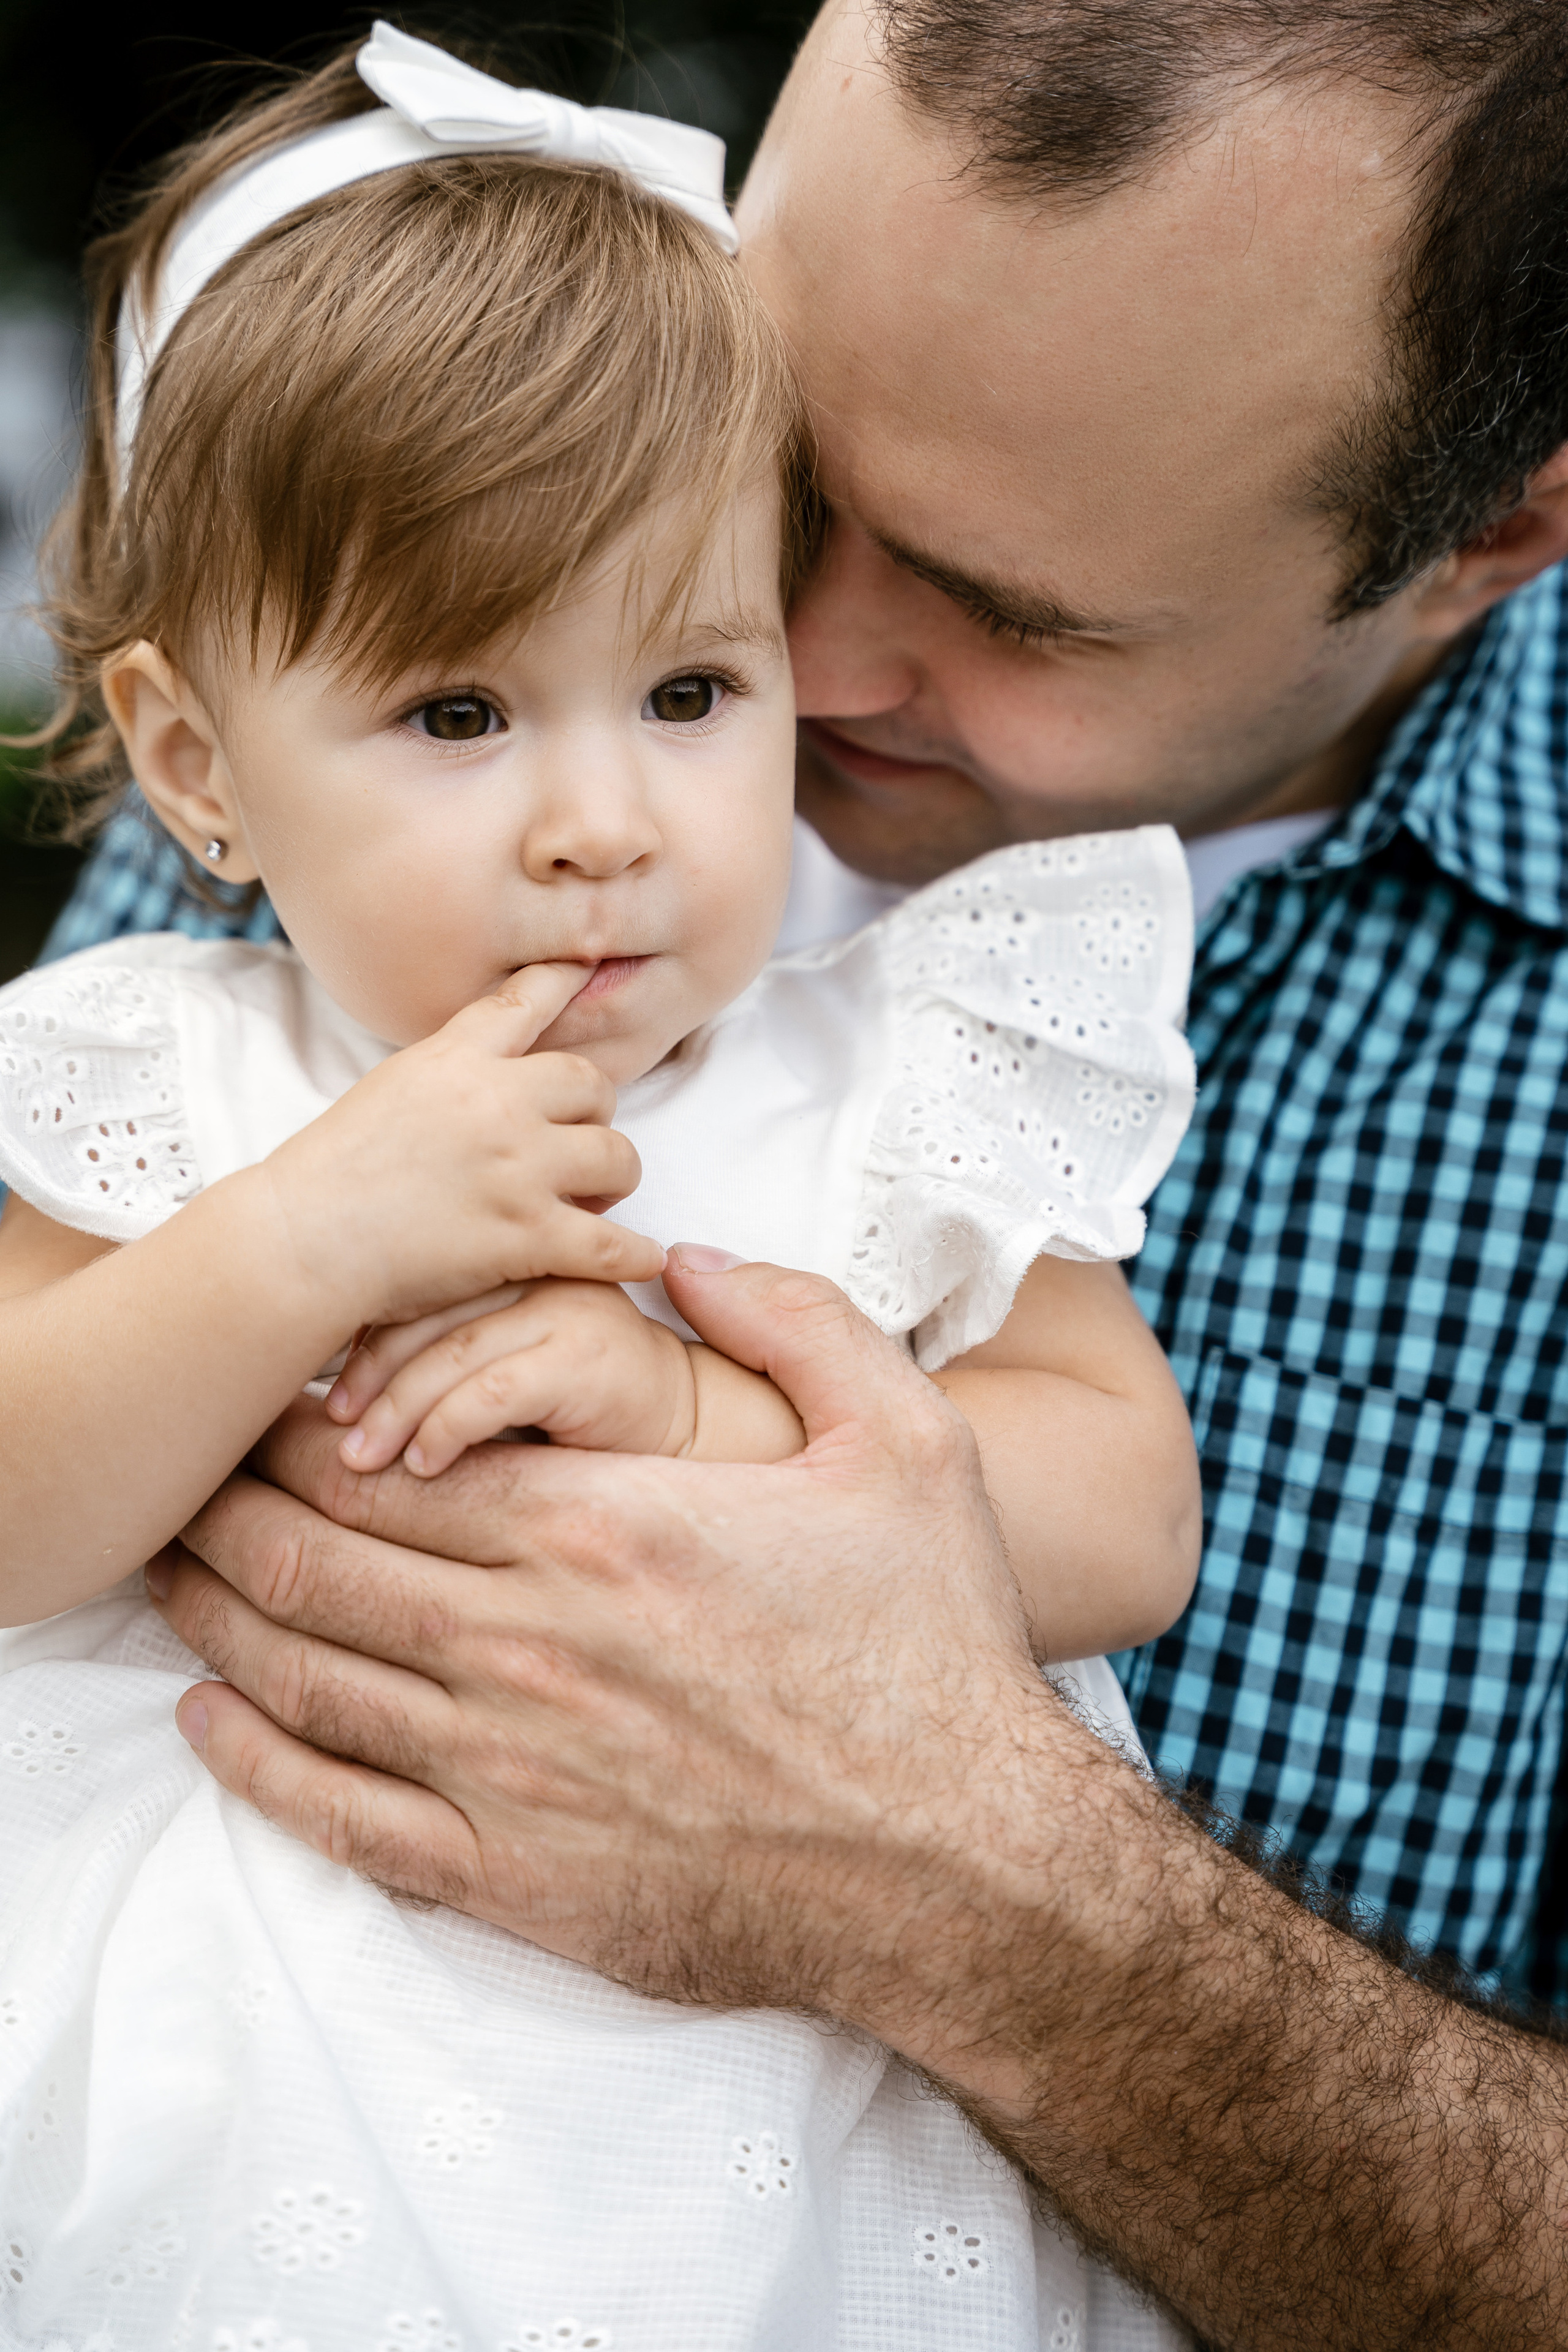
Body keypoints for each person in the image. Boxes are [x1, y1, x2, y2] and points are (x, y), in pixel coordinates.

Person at [48, 0, 1568, 2340]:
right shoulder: (285, 878)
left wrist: (740, 1480)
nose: (791, 655)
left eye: (1005, 607)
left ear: (1495, 538)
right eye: (794, 482)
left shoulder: (943, 1045)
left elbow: (1110, 1494)